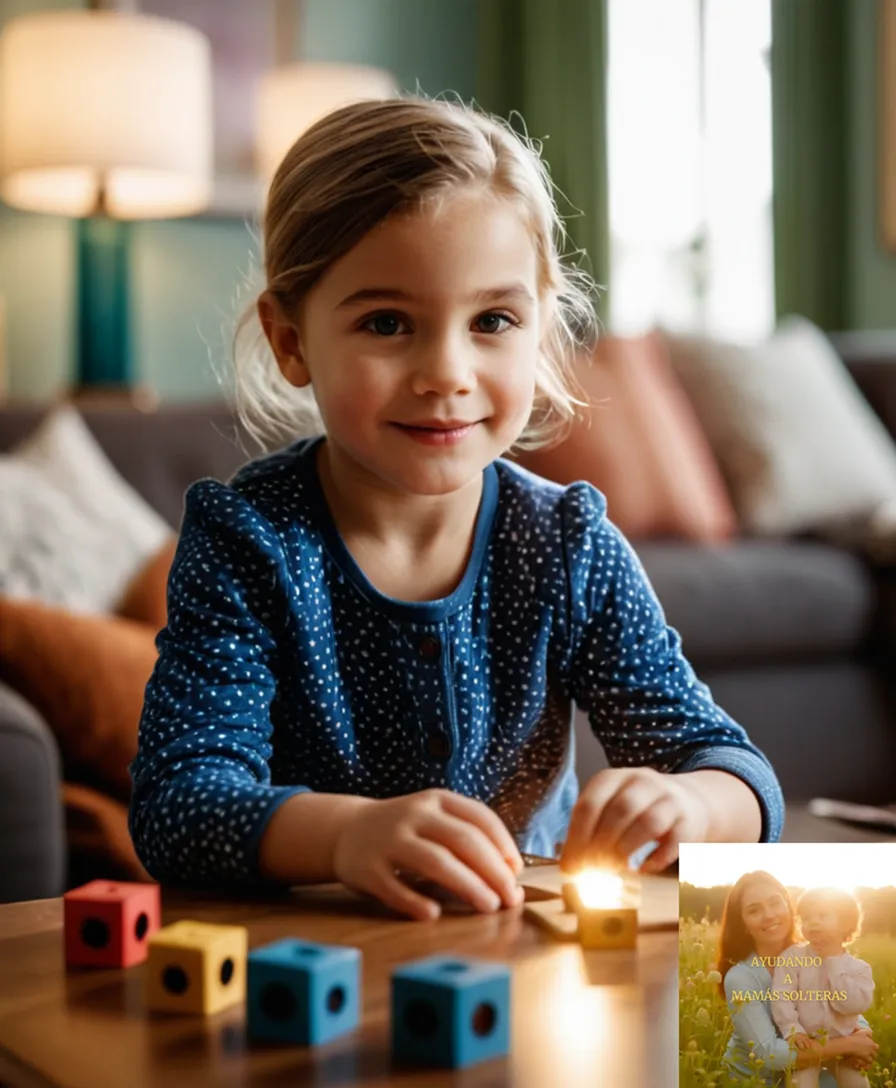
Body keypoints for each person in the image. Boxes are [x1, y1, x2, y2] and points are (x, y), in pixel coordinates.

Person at [128, 95, 784, 921]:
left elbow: (733, 771)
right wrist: (343, 837)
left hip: (531, 970)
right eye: (388, 322)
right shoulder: (247, 543)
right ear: (291, 341)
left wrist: (692, 807)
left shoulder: (569, 543)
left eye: (493, 320)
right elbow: (178, 805)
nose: (447, 372)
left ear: (541, 330)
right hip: (309, 969)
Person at [717, 872, 877, 1084]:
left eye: (775, 903)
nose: (769, 915)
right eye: (754, 910)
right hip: (756, 1079)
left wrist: (862, 1032)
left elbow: (840, 1003)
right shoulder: (740, 977)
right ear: (743, 924)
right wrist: (850, 1045)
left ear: (788, 907)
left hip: (810, 1063)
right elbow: (768, 1054)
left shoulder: (816, 953)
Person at [771, 887, 874, 1088]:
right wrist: (793, 1031)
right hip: (806, 1043)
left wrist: (833, 961)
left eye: (822, 915)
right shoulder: (792, 958)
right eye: (807, 918)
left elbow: (853, 1006)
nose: (813, 922)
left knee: (858, 1084)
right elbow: (781, 997)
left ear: (846, 923)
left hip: (843, 1048)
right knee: (801, 1083)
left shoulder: (859, 968)